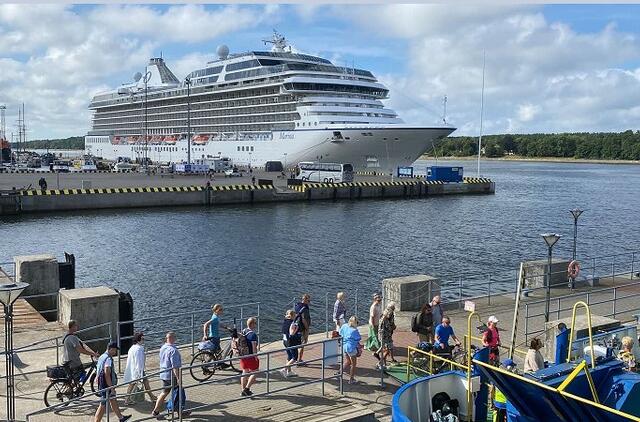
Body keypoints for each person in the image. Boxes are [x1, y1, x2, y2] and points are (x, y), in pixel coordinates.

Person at [152, 332, 189, 418]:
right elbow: (175, 367)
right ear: (173, 338)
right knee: (178, 393)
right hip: (172, 376)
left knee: (164, 392)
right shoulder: (173, 350)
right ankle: (180, 412)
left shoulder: (163, 348)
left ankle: (156, 411)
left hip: (164, 374)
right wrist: (179, 378)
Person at [94, 342, 131, 422]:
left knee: (113, 400)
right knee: (102, 405)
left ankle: (121, 418)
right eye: (114, 350)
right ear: (110, 349)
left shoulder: (102, 357)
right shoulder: (108, 359)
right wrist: (112, 387)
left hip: (102, 383)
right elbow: (107, 373)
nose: (115, 352)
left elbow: (98, 369)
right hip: (106, 385)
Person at [123, 332, 157, 405]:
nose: (143, 340)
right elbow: (139, 362)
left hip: (133, 370)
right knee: (143, 384)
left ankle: (127, 399)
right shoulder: (139, 349)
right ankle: (152, 397)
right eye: (142, 338)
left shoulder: (132, 347)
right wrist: (139, 374)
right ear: (138, 339)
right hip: (138, 371)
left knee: (133, 384)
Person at [239, 317, 259, 396]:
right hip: (250, 356)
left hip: (243, 356)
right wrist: (255, 356)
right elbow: (254, 347)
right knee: (255, 372)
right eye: (255, 323)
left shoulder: (243, 331)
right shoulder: (253, 335)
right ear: (252, 324)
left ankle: (243, 390)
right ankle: (247, 389)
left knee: (244, 372)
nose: (256, 325)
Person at [339, 316, 362, 384]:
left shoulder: (344, 326)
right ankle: (351, 379)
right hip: (351, 348)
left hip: (344, 346)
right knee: (353, 364)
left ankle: (339, 372)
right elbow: (358, 339)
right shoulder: (354, 330)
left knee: (348, 361)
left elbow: (340, 333)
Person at [280, 310, 301, 377]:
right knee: (295, 357)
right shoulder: (292, 323)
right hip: (291, 342)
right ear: (292, 316)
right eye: (294, 315)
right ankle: (284, 369)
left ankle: (289, 372)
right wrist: (296, 328)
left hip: (285, 341)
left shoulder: (285, 322)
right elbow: (292, 334)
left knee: (289, 356)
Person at [377, 304, 397, 369]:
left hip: (384, 336)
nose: (390, 315)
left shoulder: (382, 318)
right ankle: (380, 363)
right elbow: (389, 328)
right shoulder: (385, 320)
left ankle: (383, 363)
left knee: (386, 349)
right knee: (387, 350)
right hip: (385, 337)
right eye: (389, 314)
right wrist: (393, 327)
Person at [294, 294, 311, 365]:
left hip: (296, 327)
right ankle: (299, 360)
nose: (309, 302)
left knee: (296, 343)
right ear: (306, 300)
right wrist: (307, 328)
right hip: (303, 328)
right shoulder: (305, 308)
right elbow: (304, 319)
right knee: (303, 344)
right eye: (309, 300)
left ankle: (294, 358)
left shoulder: (297, 306)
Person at [365, 293, 382, 360]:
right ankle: (378, 347)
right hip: (374, 323)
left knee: (373, 335)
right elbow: (372, 317)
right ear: (375, 300)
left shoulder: (379, 305)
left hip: (378, 323)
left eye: (380, 299)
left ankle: (371, 346)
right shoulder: (373, 307)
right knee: (374, 336)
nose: (379, 301)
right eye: (378, 300)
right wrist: (372, 325)